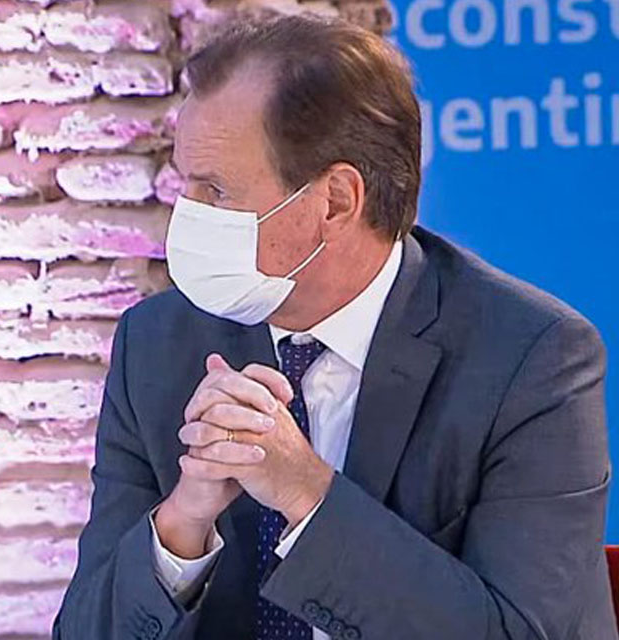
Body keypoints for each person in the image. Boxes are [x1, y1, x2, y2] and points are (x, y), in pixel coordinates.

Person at [51, 13, 615, 640]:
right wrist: (182, 523)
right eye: (185, 182)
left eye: (215, 190)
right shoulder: (158, 346)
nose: (186, 214)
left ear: (336, 201)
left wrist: (306, 493)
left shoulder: (532, 359)